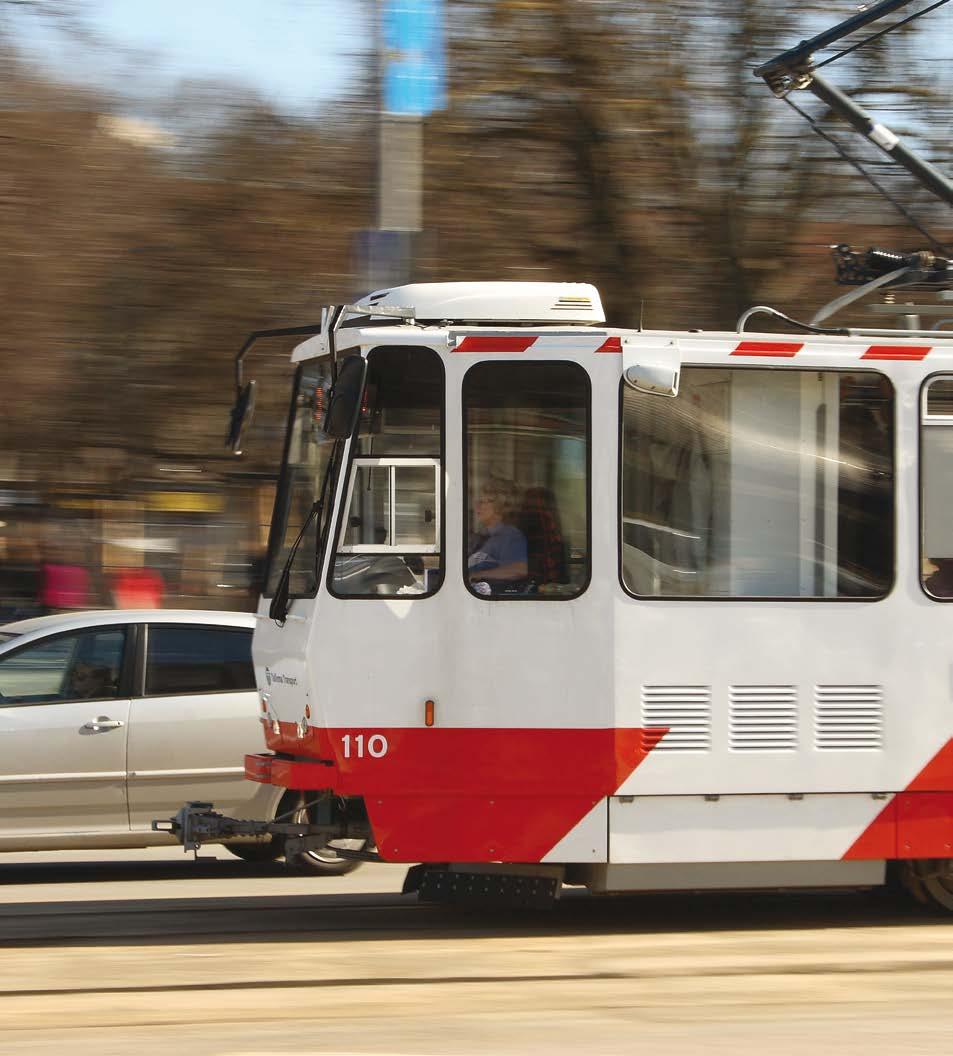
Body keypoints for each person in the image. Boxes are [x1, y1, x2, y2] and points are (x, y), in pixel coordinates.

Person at [468, 476, 529, 586]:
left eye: (484, 502)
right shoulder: (482, 536)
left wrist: (477, 575)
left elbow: (519, 569)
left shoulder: (510, 536)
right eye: (478, 501)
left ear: (501, 506)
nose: (477, 506)